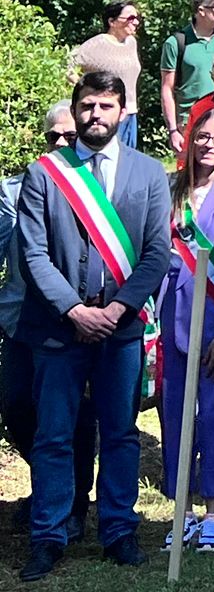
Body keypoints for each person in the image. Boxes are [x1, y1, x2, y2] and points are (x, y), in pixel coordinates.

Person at [14, 71, 173, 581]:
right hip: (57, 328)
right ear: (76, 109)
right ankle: (48, 535)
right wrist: (74, 310)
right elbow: (32, 253)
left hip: (120, 328)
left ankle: (119, 530)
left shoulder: (149, 173)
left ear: (122, 112)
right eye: (87, 105)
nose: (95, 114)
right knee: (53, 435)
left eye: (105, 106)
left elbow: (156, 252)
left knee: (121, 432)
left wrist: (117, 309)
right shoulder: (45, 174)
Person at [1, 105, 98, 549]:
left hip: (79, 322)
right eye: (52, 136)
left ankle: (74, 504)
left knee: (74, 416)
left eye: (69, 136)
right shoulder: (11, 191)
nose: (60, 143)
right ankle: (51, 486)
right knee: (17, 406)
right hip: (21, 321)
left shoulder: (99, 190)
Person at [159, 107, 214, 554]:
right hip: (172, 312)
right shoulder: (169, 189)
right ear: (190, 140)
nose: (209, 144)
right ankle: (183, 511)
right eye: (202, 136)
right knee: (175, 415)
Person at [159, 0, 214, 154]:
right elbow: (167, 89)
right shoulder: (176, 43)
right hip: (191, 121)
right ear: (201, 10)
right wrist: (173, 130)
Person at [70, 0, 144, 148]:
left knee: (126, 157)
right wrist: (86, 93)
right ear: (112, 21)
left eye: (137, 18)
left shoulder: (131, 43)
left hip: (129, 113)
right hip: (106, 113)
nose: (135, 22)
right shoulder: (96, 44)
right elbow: (69, 67)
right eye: (130, 18)